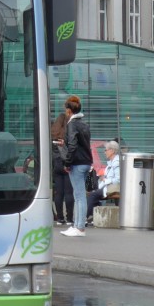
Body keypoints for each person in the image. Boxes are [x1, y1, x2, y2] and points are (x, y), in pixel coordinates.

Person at [60, 94, 93, 237]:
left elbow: (73, 146)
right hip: (86, 162)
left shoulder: (72, 124)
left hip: (77, 163)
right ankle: (76, 226)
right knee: (78, 194)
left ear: (68, 110)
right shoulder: (84, 124)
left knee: (79, 196)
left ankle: (79, 228)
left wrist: (67, 162)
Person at [50, 107, 74, 226]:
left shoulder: (53, 135)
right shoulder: (68, 134)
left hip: (56, 165)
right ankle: (69, 218)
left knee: (58, 193)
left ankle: (60, 218)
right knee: (69, 193)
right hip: (67, 165)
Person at [86, 139, 121, 221]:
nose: (105, 152)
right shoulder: (112, 162)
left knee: (93, 195)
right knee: (94, 193)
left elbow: (118, 179)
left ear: (112, 151)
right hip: (108, 186)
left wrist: (105, 180)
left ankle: (86, 217)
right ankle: (93, 216)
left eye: (106, 150)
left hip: (113, 188)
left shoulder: (116, 163)